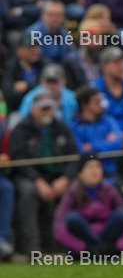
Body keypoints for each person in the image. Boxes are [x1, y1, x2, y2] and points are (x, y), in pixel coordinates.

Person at [8, 92, 79, 253]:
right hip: (29, 177)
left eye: (49, 108)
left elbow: (74, 157)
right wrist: (38, 180)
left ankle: (72, 246)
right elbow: (19, 161)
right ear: (33, 109)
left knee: (75, 188)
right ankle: (32, 247)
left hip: (58, 176)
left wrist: (65, 178)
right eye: (43, 108)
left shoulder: (62, 127)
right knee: (28, 191)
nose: (46, 112)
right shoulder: (21, 129)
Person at [53, 154, 123, 256]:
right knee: (72, 218)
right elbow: (59, 227)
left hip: (107, 238)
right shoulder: (72, 191)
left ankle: (101, 251)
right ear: (80, 173)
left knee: (122, 214)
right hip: (84, 244)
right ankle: (96, 251)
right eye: (90, 167)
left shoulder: (110, 189)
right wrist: (82, 247)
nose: (94, 170)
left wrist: (119, 246)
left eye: (98, 166)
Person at [69, 86, 123, 180]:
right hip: (86, 174)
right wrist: (106, 143)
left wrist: (92, 147)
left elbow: (117, 143)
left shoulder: (109, 120)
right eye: (96, 101)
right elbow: (81, 152)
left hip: (110, 170)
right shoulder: (74, 126)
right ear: (84, 105)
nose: (101, 104)